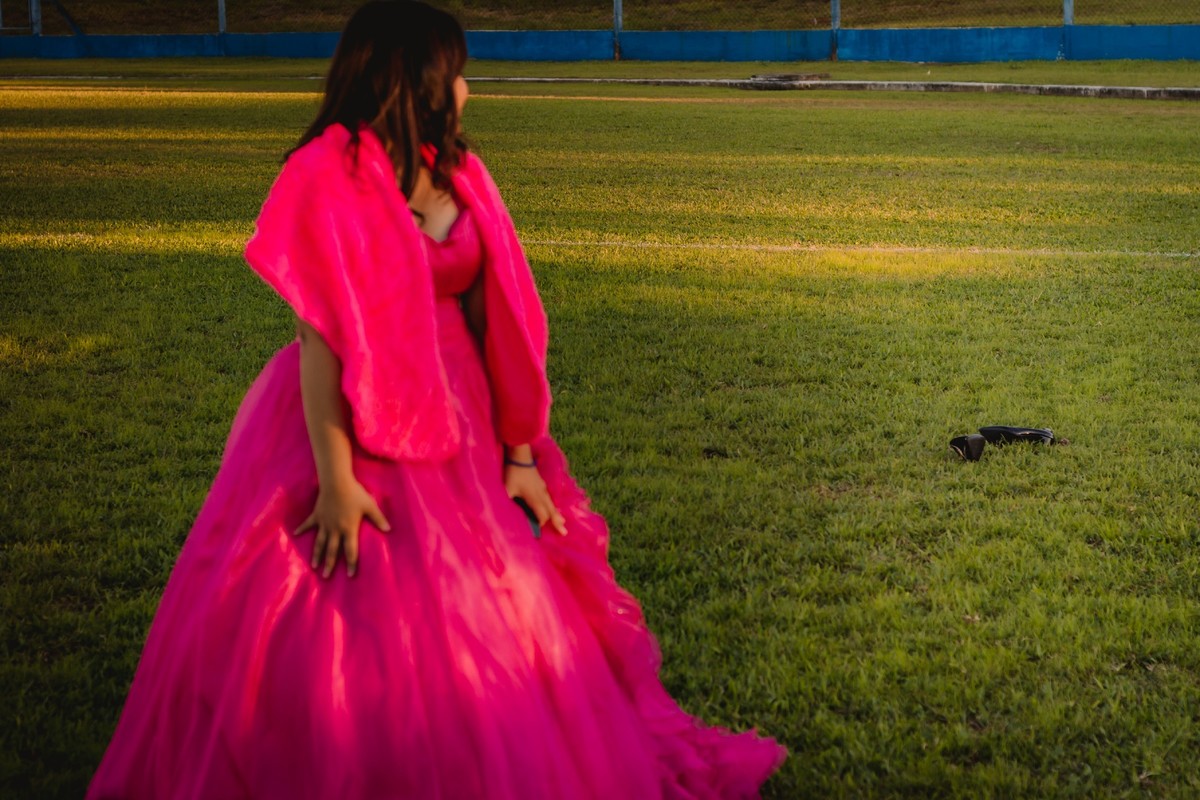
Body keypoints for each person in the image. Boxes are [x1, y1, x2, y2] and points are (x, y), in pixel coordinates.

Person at [87, 2, 785, 797]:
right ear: (414, 78)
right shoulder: (329, 173)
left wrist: (520, 453)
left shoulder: (457, 170)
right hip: (351, 415)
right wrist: (339, 480)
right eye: (456, 75)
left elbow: (500, 314)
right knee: (356, 616)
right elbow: (322, 341)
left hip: (465, 425)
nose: (466, 92)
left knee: (492, 606)